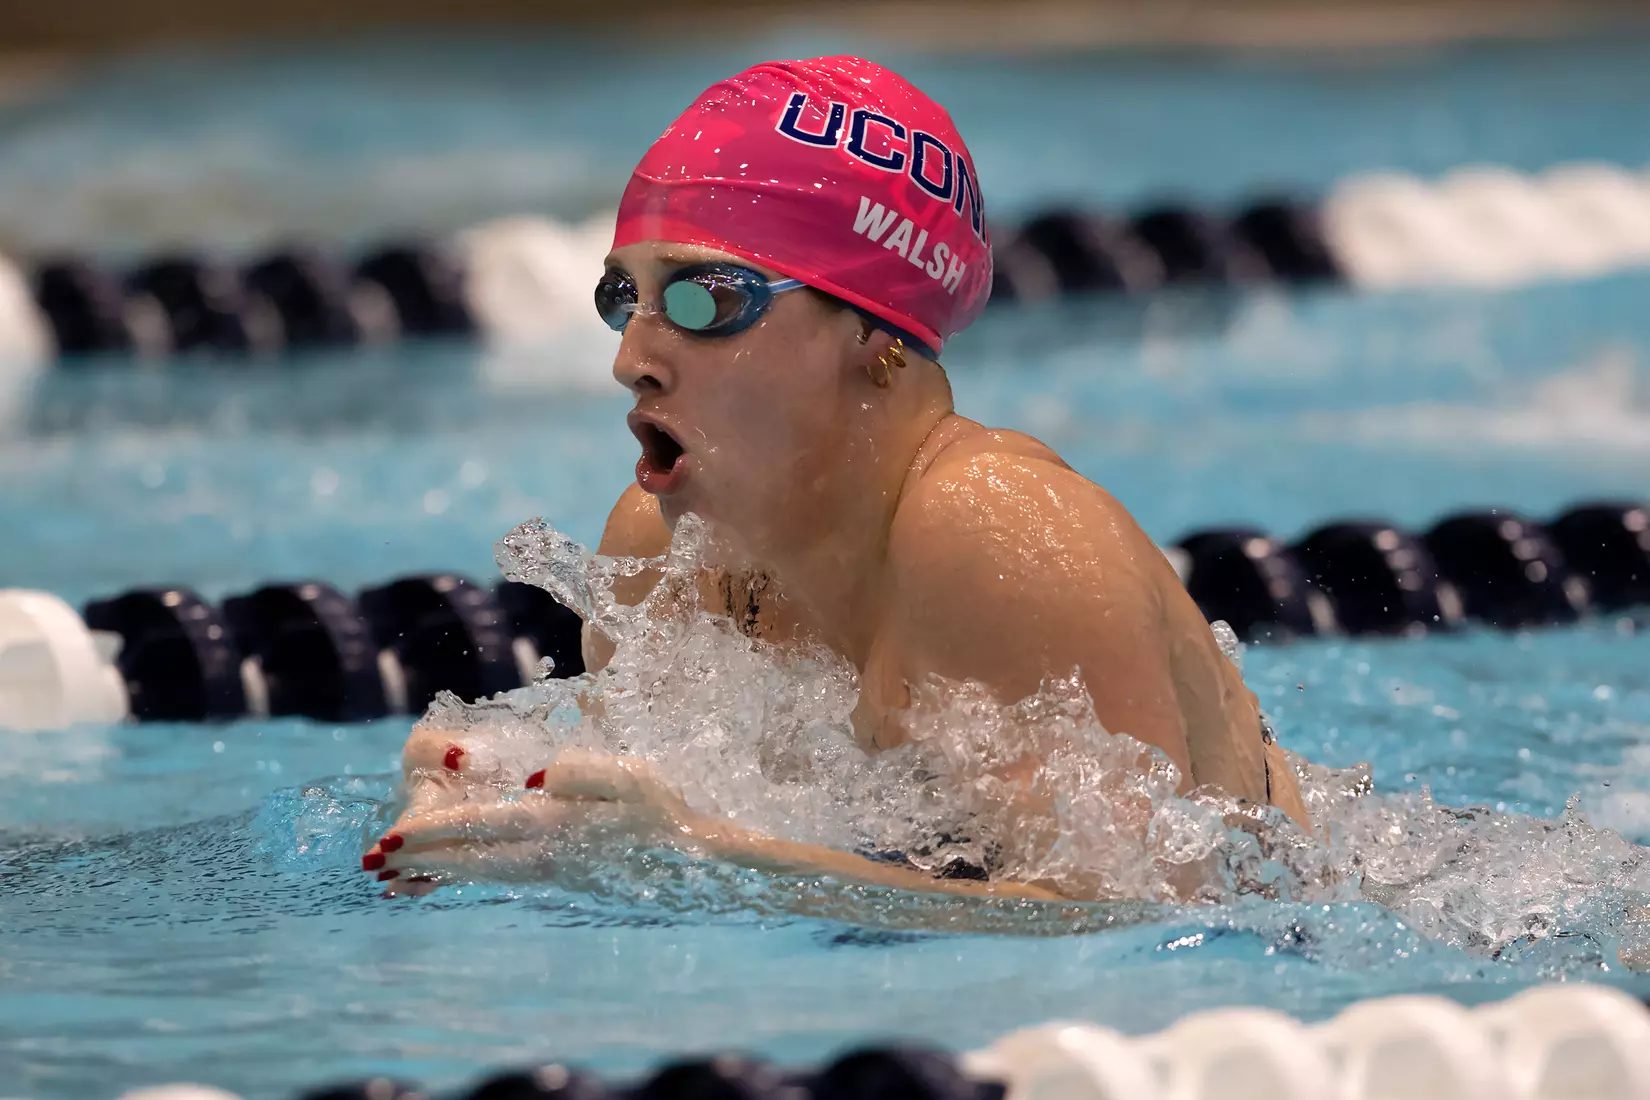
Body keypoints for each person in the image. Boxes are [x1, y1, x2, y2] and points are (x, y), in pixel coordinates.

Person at [360, 56, 1308, 901]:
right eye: (625, 298)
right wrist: (513, 811)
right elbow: (651, 825)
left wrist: (716, 858)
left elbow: (1130, 916)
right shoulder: (664, 550)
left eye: (706, 300)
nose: (633, 359)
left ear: (876, 336)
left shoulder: (996, 529)